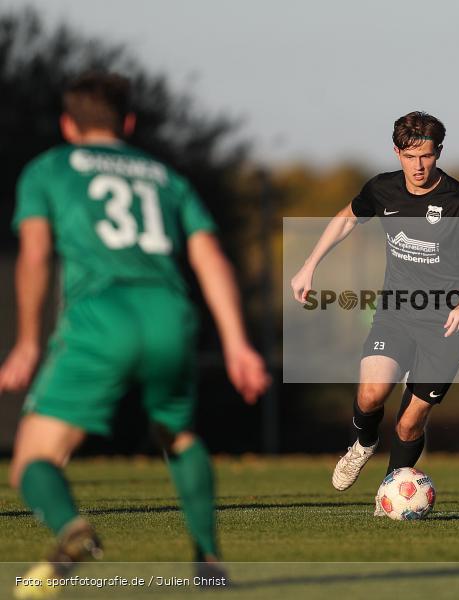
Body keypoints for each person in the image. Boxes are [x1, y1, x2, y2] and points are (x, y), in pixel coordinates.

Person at [0, 72, 270, 597]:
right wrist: (237, 343)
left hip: (101, 316)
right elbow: (209, 256)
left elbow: (34, 255)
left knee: (33, 461)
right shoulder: (165, 177)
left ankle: (72, 531)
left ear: (67, 124)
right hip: (169, 312)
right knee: (178, 434)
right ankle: (209, 560)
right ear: (127, 122)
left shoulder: (49, 168)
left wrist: (29, 340)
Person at [290, 111, 459, 513]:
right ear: (397, 152)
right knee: (371, 394)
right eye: (409, 156)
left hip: (446, 325)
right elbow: (344, 221)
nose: (418, 166)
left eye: (426, 156)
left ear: (438, 152)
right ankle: (363, 443)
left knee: (408, 424)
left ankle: (388, 494)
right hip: (396, 314)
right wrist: (309, 264)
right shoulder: (383, 189)